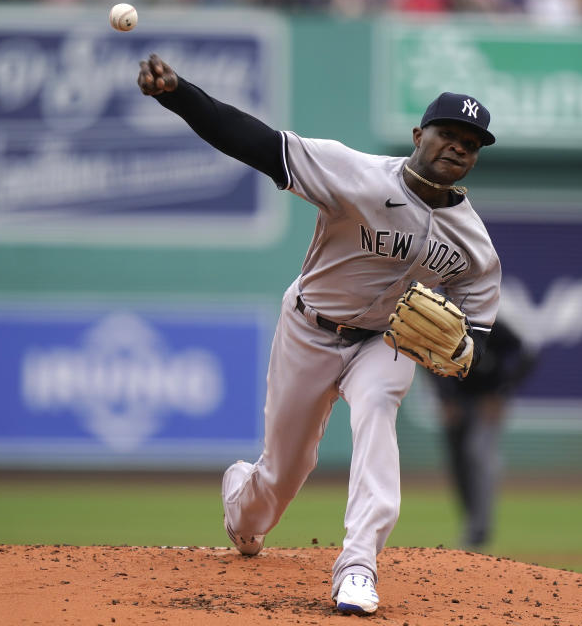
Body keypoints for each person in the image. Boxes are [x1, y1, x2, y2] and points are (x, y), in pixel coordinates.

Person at [136, 54, 501, 615]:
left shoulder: (474, 242)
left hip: (386, 341)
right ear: (417, 135)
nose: (457, 147)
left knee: (377, 407)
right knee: (284, 473)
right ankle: (243, 510)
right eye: (446, 133)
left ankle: (358, 566)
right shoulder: (352, 172)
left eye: (470, 143)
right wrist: (178, 93)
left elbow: (479, 326)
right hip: (308, 328)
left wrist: (469, 351)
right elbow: (253, 142)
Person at [429, 316, 537, 549]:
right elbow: (426, 359)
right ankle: (473, 523)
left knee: (479, 453)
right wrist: (445, 398)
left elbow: (529, 354)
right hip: (457, 402)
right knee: (459, 463)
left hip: (485, 403)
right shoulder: (445, 323)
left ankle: (479, 528)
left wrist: (502, 392)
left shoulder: (493, 327)